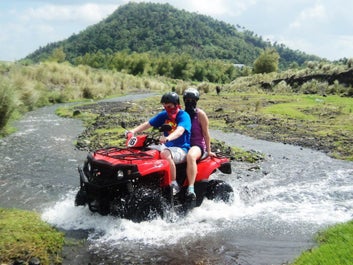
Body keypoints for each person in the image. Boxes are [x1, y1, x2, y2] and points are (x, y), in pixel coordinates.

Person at [128, 92, 191, 195]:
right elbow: (148, 124)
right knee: (145, 151)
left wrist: (168, 138)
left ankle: (173, 184)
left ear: (177, 105)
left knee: (165, 154)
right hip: (167, 146)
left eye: (169, 106)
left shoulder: (184, 116)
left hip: (182, 149)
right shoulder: (164, 115)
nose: (167, 109)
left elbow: (179, 131)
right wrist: (133, 131)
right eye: (165, 106)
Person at [183, 87, 216, 199]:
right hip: (183, 144)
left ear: (196, 101)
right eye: (187, 99)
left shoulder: (200, 114)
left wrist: (209, 151)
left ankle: (191, 188)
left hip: (197, 146)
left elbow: (206, 134)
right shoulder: (182, 114)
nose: (189, 102)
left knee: (191, 156)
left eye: (192, 100)